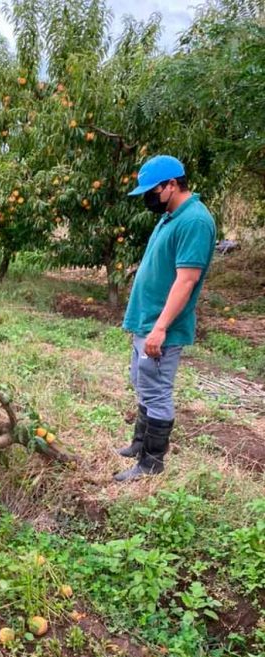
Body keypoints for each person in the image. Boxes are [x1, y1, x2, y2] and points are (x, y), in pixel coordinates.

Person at [114, 155, 216, 482]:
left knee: (157, 391)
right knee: (143, 382)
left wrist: (160, 328)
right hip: (146, 322)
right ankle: (139, 444)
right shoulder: (171, 216)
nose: (148, 198)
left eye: (152, 191)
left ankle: (151, 464)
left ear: (171, 185)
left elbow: (186, 280)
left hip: (162, 328)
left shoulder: (195, 222)